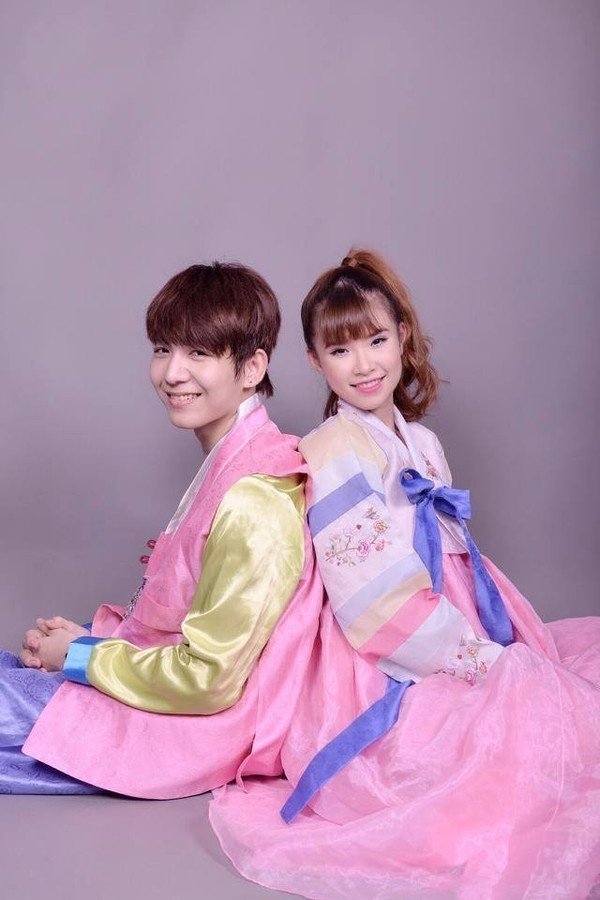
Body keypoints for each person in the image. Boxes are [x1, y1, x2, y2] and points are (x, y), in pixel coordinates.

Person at [210, 249, 600, 899]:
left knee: (556, 712)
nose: (363, 364)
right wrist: (470, 655)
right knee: (498, 750)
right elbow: (365, 588)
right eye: (340, 350)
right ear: (314, 360)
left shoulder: (422, 442)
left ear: (403, 336)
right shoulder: (332, 447)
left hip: (454, 609)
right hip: (386, 647)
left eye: (376, 340)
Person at [0, 261, 323, 798]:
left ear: (252, 367)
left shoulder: (256, 497)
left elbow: (209, 680)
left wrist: (79, 657)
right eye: (162, 349)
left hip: (193, 727)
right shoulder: (239, 458)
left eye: (199, 353)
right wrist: (85, 640)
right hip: (170, 690)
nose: (173, 373)